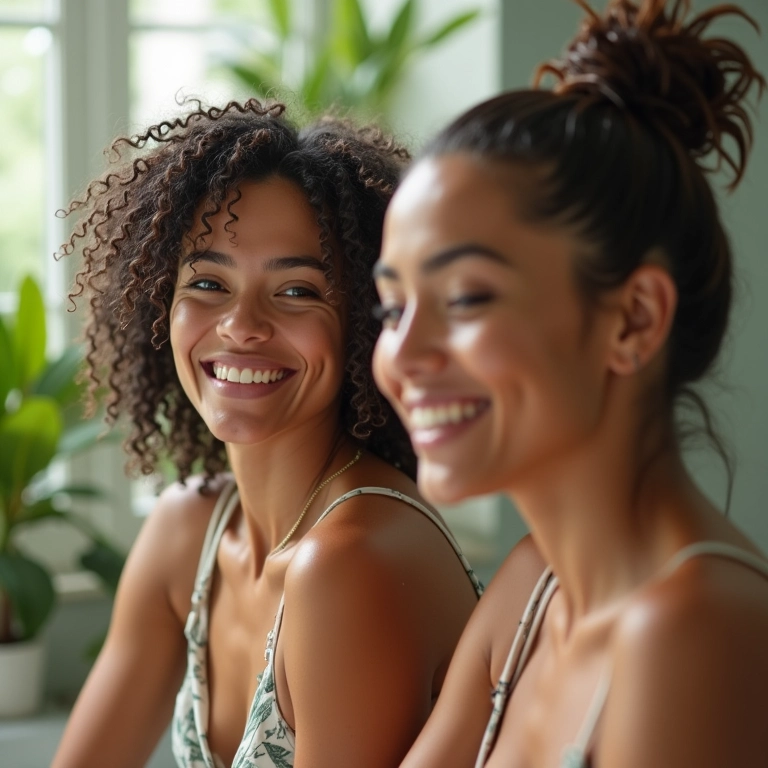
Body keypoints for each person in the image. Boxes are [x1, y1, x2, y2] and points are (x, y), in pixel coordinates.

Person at [372, 1, 768, 766]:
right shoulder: (530, 590)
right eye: (392, 306)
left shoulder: (698, 629)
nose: (402, 352)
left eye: (466, 298)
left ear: (634, 320)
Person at [51, 98, 487, 768]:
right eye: (207, 282)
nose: (240, 325)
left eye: (296, 292)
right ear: (157, 306)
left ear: (367, 324)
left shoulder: (353, 560)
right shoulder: (186, 533)